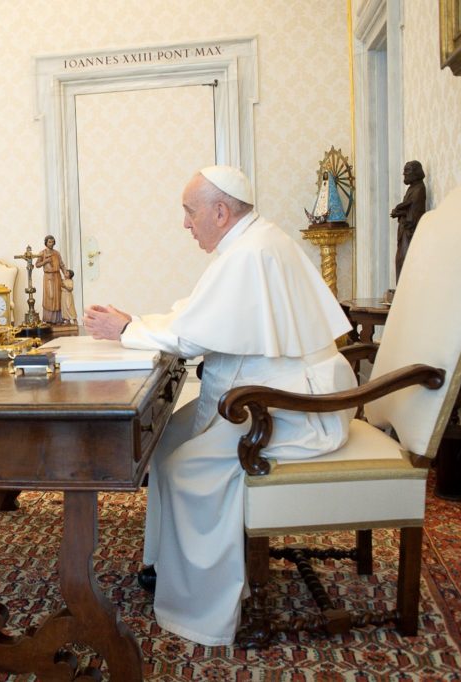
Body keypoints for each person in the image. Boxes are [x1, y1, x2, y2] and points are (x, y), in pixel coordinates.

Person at [83, 166, 356, 646]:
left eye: (189, 213)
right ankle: (167, 564)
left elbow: (191, 334)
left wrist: (127, 331)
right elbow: (198, 313)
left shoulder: (250, 253)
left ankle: (201, 605)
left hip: (290, 408)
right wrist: (136, 322)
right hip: (272, 393)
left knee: (189, 466)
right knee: (166, 441)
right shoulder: (250, 243)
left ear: (220, 211)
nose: (185, 224)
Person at [391, 160, 426, 282]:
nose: (404, 174)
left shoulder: (420, 189)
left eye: (407, 171)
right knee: (400, 260)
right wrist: (399, 212)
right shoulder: (412, 188)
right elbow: (409, 206)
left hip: (409, 232)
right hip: (404, 232)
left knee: (405, 261)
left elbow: (414, 214)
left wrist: (399, 211)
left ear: (416, 172)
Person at [35, 235, 69, 324]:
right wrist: (45, 261)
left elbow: (61, 264)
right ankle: (48, 319)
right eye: (49, 242)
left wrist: (65, 272)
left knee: (58, 296)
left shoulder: (57, 253)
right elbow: (37, 265)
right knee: (50, 296)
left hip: (57, 276)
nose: (51, 243)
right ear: (46, 242)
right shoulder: (42, 253)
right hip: (48, 277)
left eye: (53, 241)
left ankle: (58, 319)